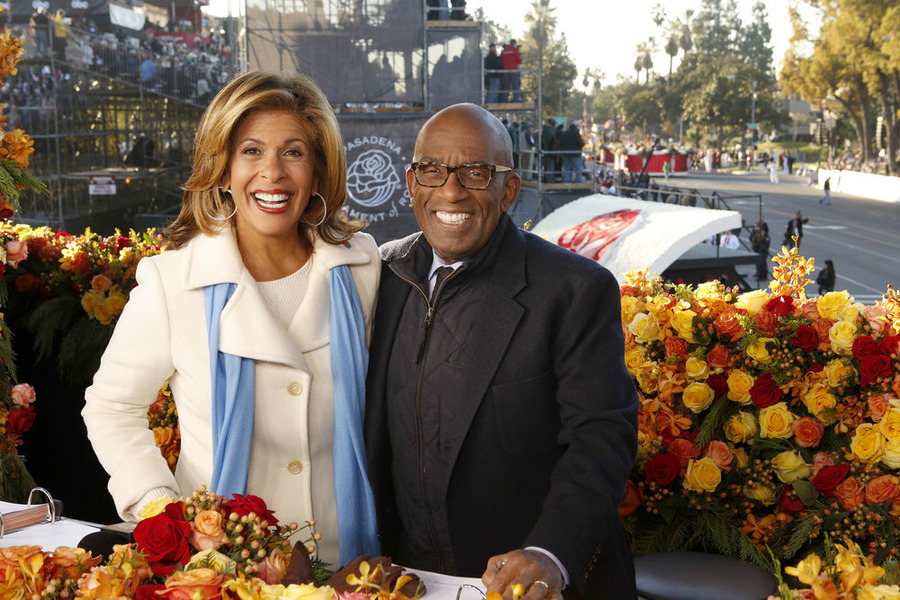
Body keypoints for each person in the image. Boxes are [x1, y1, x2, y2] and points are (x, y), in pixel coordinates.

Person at [82, 71, 381, 568]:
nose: (273, 173)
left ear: (319, 171)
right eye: (251, 151)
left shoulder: (362, 268)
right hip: (223, 568)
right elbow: (111, 408)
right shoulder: (173, 281)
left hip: (349, 562)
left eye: (294, 152)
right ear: (221, 170)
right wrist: (163, 507)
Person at [364, 103, 639, 599]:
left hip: (520, 585)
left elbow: (601, 436)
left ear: (508, 190)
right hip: (405, 578)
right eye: (433, 170)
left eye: (476, 172)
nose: (451, 191)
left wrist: (551, 554)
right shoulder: (381, 274)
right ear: (411, 184)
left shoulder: (574, 289)